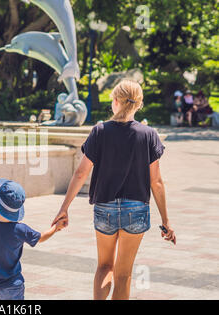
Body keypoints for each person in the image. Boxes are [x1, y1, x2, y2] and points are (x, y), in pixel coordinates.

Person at [52, 79, 176, 300]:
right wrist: (166, 221)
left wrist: (64, 208)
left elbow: (81, 173)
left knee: (104, 267)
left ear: (115, 102)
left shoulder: (100, 131)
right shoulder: (148, 134)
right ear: (138, 104)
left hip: (105, 207)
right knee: (124, 274)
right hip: (136, 208)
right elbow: (156, 181)